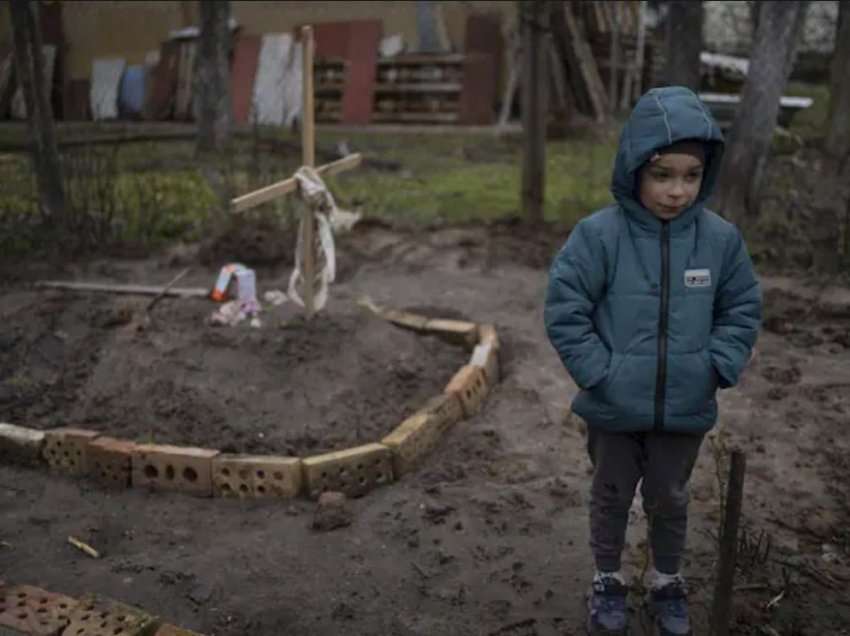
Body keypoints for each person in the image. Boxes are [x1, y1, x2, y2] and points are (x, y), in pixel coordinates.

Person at [544, 86, 762, 636]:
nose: (676, 191)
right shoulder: (599, 237)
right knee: (611, 495)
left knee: (670, 498)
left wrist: (714, 367)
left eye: (691, 176)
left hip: (684, 409)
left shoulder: (720, 241)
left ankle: (667, 582)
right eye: (663, 174)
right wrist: (601, 374)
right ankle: (607, 578)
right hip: (613, 409)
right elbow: (565, 309)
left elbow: (742, 308)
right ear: (634, 166)